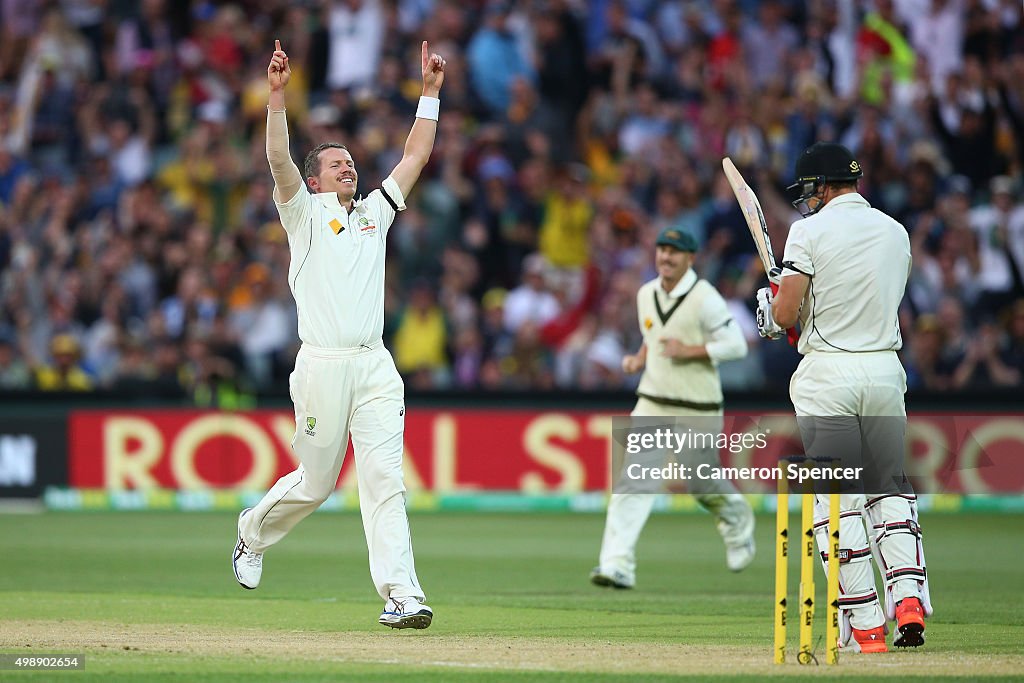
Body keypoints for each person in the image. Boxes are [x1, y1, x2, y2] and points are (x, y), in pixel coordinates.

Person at [231, 39, 446, 630]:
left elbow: (416, 156)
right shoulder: (301, 214)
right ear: (315, 180)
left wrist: (428, 95)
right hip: (323, 366)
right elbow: (278, 159)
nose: (349, 166)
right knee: (317, 482)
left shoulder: (376, 212)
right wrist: (276, 95)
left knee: (384, 480)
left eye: (351, 160)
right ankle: (252, 532)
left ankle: (402, 594)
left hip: (375, 365)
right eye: (336, 163)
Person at [757, 142, 932, 653]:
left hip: (829, 375)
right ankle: (909, 600)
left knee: (835, 504)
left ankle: (867, 627)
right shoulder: (896, 232)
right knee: (888, 489)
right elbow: (864, 296)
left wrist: (772, 313)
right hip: (884, 370)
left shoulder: (808, 231)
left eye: (809, 190)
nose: (805, 201)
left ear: (822, 186)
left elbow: (788, 316)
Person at [591, 227, 755, 590]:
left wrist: (690, 351)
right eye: (662, 250)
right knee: (632, 482)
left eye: (674, 252)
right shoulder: (646, 294)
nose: (666, 257)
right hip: (653, 400)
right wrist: (639, 359)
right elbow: (655, 337)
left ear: (691, 258)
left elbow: (736, 346)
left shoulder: (705, 297)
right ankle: (617, 564)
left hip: (698, 405)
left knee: (701, 484)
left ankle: (738, 521)